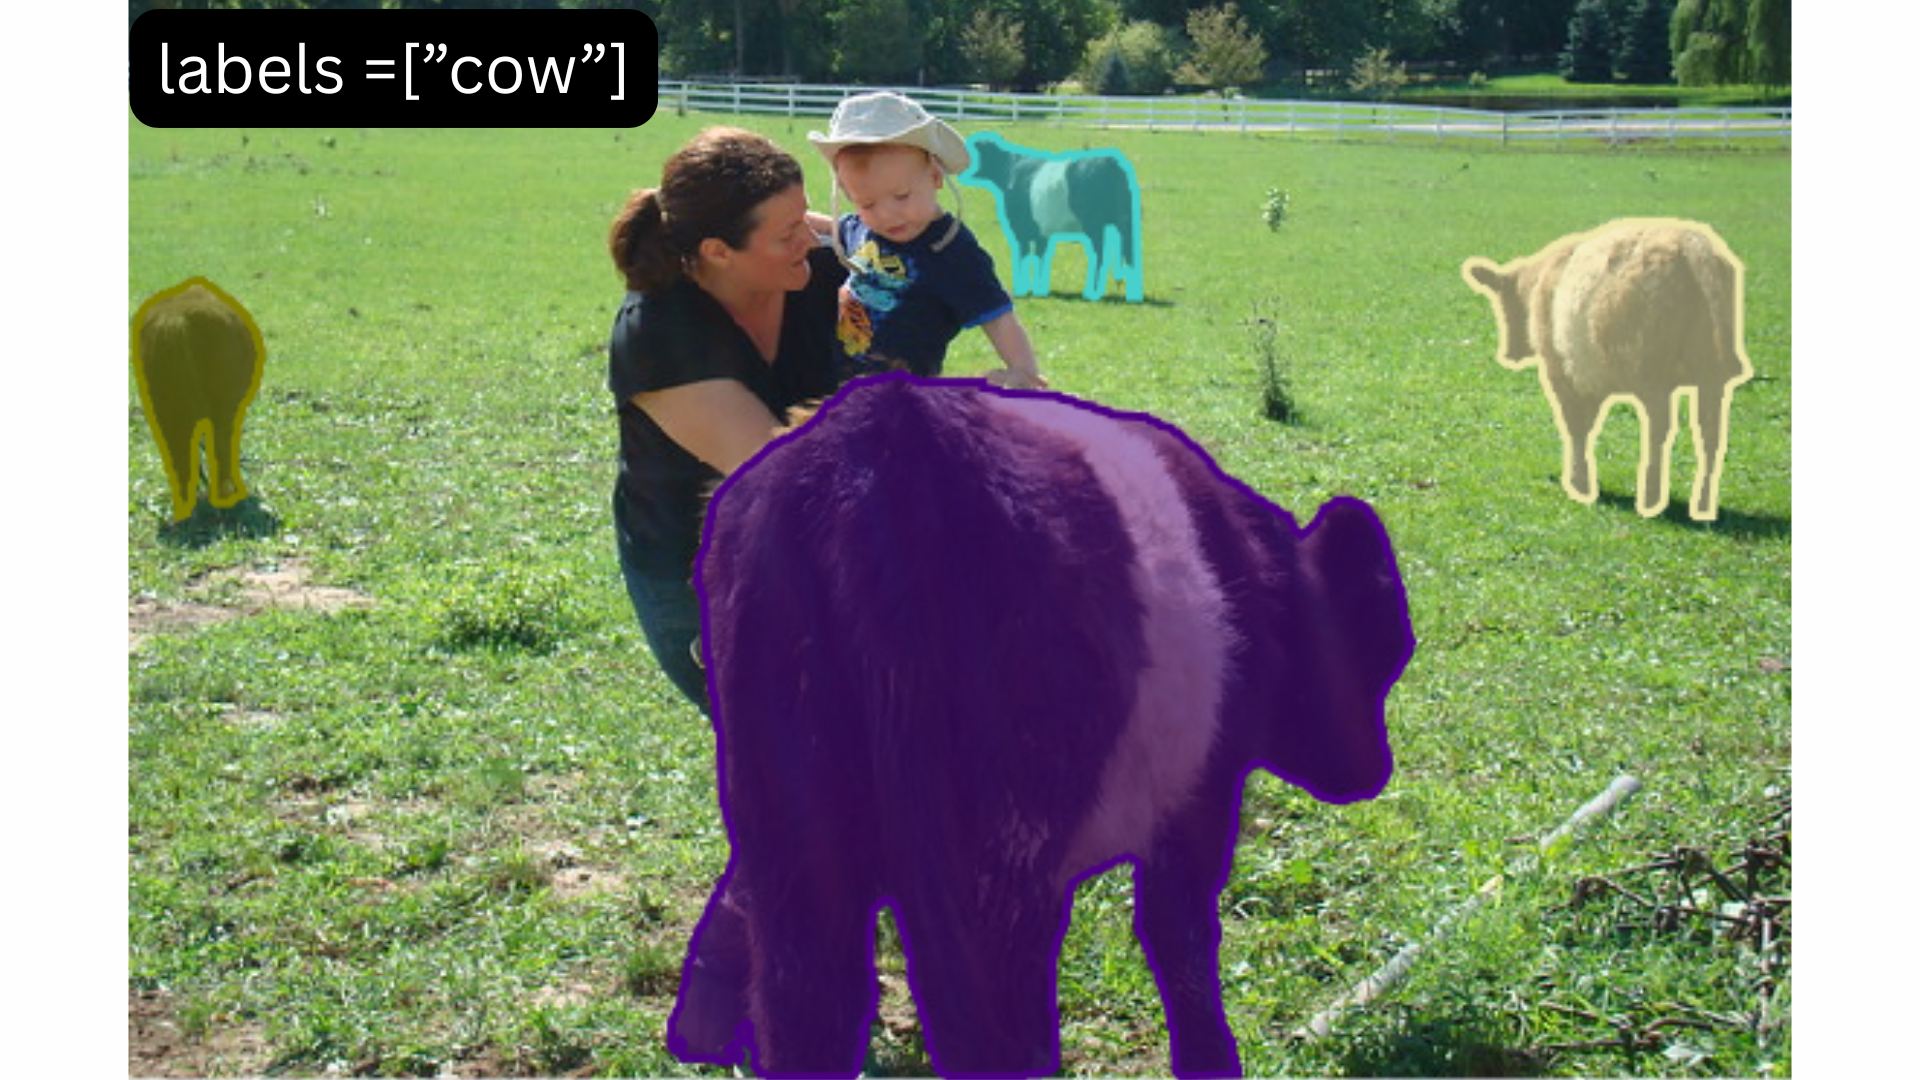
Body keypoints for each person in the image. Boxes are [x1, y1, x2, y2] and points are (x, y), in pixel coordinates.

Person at [605, 126, 847, 711]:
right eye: (789, 232)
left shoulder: (821, 273)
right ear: (718, 252)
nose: (813, 237)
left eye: (807, 217)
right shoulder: (660, 335)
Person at [807, 91, 1047, 390]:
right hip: (839, 383)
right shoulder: (862, 229)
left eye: (902, 196)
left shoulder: (950, 250)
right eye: (867, 203)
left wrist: (1023, 369)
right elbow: (829, 226)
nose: (887, 215)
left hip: (902, 393)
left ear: (935, 176)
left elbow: (996, 315)